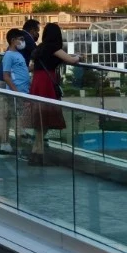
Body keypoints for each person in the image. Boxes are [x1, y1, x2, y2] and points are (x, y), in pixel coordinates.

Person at [28, 23, 79, 165]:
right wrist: (80, 57)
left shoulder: (40, 48)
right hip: (46, 82)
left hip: (37, 81)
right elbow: (71, 60)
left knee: (40, 118)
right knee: (46, 117)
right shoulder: (53, 47)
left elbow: (32, 66)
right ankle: (37, 152)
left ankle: (37, 152)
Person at [0, 29, 31, 154]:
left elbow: (21, 69)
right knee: (14, 117)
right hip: (16, 92)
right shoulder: (9, 55)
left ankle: (19, 146)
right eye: (20, 39)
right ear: (13, 40)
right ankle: (12, 145)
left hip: (23, 91)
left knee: (20, 118)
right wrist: (16, 91)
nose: (22, 42)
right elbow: (6, 76)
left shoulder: (18, 54)